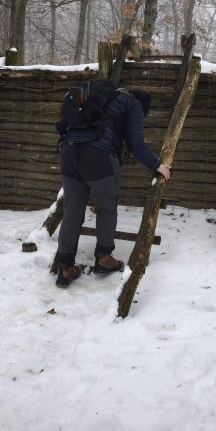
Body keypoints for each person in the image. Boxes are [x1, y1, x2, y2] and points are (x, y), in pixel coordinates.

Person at [53, 87, 171, 288]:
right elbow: (136, 144)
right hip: (99, 158)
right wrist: (158, 165)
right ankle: (104, 259)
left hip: (68, 153)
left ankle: (64, 267)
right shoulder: (134, 104)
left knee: (72, 210)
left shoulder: (102, 98)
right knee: (107, 208)